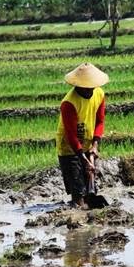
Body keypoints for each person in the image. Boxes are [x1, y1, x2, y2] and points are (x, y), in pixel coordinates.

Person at [55, 63, 107, 208]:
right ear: (79, 85)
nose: (90, 89)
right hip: (68, 147)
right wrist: (84, 160)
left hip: (88, 142)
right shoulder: (69, 103)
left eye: (92, 85)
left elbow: (100, 121)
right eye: (86, 86)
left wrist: (94, 146)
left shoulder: (99, 94)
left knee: (91, 186)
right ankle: (77, 210)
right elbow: (71, 135)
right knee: (77, 188)